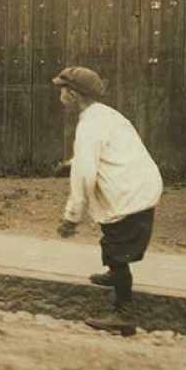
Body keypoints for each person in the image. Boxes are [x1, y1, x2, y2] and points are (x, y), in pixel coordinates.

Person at [53, 66, 162, 336]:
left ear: (75, 96)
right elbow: (112, 149)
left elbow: (85, 176)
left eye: (63, 91)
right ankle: (115, 274)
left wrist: (72, 216)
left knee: (117, 250)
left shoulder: (89, 125)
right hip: (141, 188)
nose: (60, 96)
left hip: (127, 195)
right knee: (114, 241)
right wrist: (73, 162)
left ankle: (124, 313)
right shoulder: (108, 115)